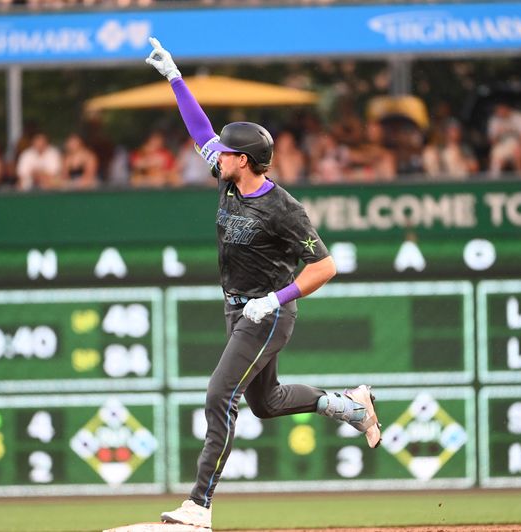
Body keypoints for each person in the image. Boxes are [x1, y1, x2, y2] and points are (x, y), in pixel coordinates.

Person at [144, 37, 382, 530]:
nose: (216, 155)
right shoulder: (229, 179)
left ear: (246, 160)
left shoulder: (283, 209)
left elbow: (325, 267)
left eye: (227, 153)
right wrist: (174, 78)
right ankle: (351, 406)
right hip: (238, 310)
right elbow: (200, 129)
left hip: (269, 313)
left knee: (219, 395)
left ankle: (199, 506)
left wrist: (276, 298)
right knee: (266, 402)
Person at [487, 102, 521, 177]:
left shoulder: (518, 117)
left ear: (506, 108)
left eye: (501, 109)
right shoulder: (494, 119)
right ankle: (494, 181)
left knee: (518, 155)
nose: (499, 111)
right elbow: (492, 140)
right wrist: (497, 136)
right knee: (496, 155)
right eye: (498, 109)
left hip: (517, 144)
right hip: (502, 145)